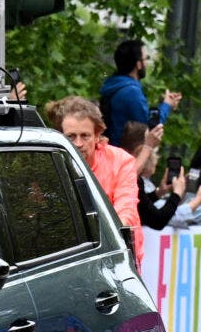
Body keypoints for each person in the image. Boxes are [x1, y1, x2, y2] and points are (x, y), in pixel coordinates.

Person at [48, 95, 142, 262]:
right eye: (70, 137)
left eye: (85, 136)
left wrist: (112, 237)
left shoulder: (120, 161)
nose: (78, 143)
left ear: (97, 135)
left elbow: (126, 207)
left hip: (117, 252)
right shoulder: (49, 164)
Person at [99, 40, 181, 149]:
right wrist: (166, 105)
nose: (146, 63)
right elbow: (150, 129)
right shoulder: (131, 92)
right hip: (124, 156)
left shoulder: (115, 85)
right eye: (145, 59)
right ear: (138, 64)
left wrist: (165, 104)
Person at [121, 122, 185, 230]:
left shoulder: (119, 168)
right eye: (153, 150)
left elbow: (140, 206)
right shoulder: (131, 179)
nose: (157, 157)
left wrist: (158, 193)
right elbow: (157, 221)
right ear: (140, 151)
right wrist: (177, 194)